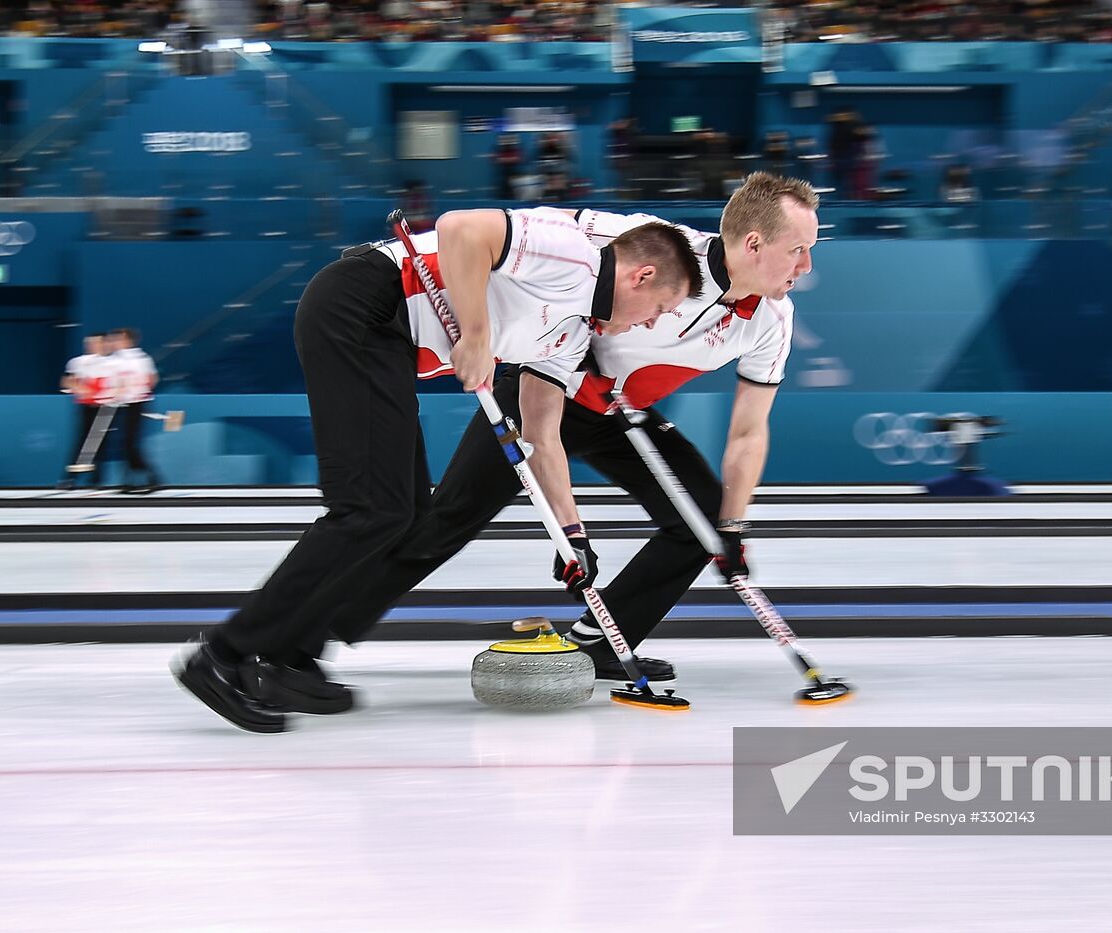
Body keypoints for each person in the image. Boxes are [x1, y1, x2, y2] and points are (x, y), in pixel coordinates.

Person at [173, 206, 704, 733]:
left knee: (404, 514)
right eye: (659, 307)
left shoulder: (570, 338)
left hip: (390, 342)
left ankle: (286, 655)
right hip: (361, 303)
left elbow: (543, 436)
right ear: (642, 275)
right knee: (370, 507)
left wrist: (572, 536)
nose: (653, 322)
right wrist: (475, 336)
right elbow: (459, 229)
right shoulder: (571, 255)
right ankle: (223, 656)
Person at [301, 172, 819, 685]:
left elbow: (749, 432)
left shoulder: (773, 320)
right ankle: (313, 629)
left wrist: (733, 527)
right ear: (754, 243)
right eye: (798, 249)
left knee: (704, 517)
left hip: (617, 411)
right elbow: (550, 236)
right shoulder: (657, 249)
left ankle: (600, 641)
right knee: (446, 520)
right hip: (543, 385)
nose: (807, 265)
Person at [104, 327, 161, 493]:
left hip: (135, 403)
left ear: (126, 340)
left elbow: (151, 379)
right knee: (124, 443)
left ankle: (150, 477)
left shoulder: (140, 359)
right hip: (122, 403)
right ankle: (131, 480)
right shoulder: (115, 359)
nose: (114, 343)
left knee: (129, 442)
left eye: (117, 339)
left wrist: (137, 392)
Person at [57, 332, 110, 488]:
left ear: (103, 344)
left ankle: (97, 480)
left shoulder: (111, 363)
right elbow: (66, 381)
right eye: (89, 343)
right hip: (86, 406)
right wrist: (80, 388)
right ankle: (69, 478)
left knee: (101, 442)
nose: (91, 346)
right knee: (82, 440)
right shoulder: (77, 362)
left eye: (95, 343)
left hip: (105, 406)